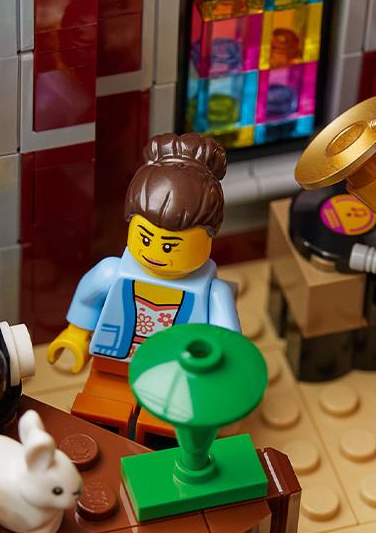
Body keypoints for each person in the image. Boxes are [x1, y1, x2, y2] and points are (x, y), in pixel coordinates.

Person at [47, 132, 240, 444]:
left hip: (178, 377)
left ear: (209, 236)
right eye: (146, 238)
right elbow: (87, 298)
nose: (155, 252)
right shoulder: (112, 271)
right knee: (100, 415)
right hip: (114, 365)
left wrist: (220, 372)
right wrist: (76, 335)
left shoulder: (213, 293)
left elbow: (228, 342)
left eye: (171, 246)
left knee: (167, 429)